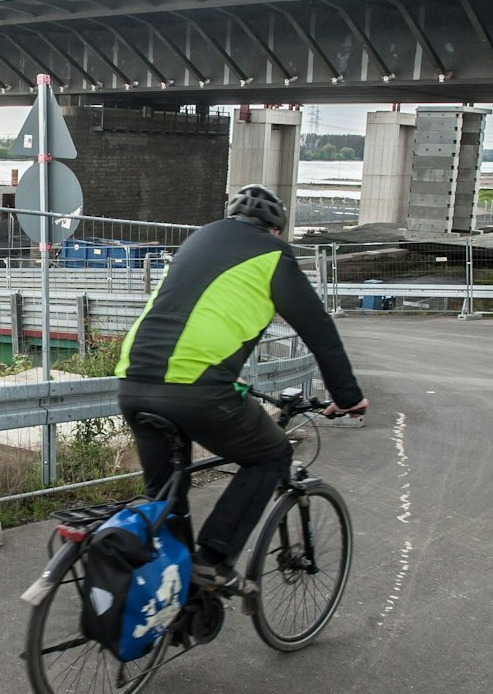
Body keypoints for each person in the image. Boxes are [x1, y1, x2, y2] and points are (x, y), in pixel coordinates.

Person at [114, 183, 367, 595]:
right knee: (272, 455)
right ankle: (213, 561)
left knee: (166, 497)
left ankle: (177, 599)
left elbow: (194, 315)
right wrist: (348, 397)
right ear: (276, 231)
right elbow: (318, 329)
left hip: (133, 383)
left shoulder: (197, 240)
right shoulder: (273, 255)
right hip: (197, 390)